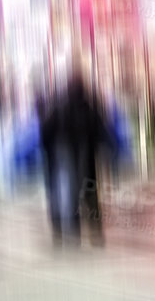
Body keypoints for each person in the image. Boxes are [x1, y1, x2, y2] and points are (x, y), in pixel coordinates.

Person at [39, 70, 114, 248]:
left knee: (72, 194)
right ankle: (94, 232)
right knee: (90, 194)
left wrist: (49, 151)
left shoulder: (60, 105)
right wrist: (107, 148)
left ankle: (73, 231)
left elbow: (47, 131)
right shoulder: (89, 104)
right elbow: (101, 129)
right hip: (86, 160)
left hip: (68, 159)